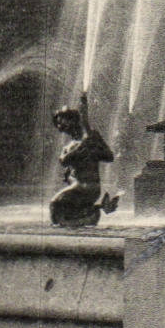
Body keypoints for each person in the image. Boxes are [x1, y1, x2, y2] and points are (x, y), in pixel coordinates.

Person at [49, 93, 119, 227]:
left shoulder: (91, 137)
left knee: (54, 204)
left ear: (73, 120)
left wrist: (92, 143)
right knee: (61, 213)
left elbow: (109, 157)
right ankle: (91, 212)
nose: (59, 126)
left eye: (62, 121)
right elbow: (64, 161)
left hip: (88, 188)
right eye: (58, 123)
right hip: (79, 187)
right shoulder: (70, 146)